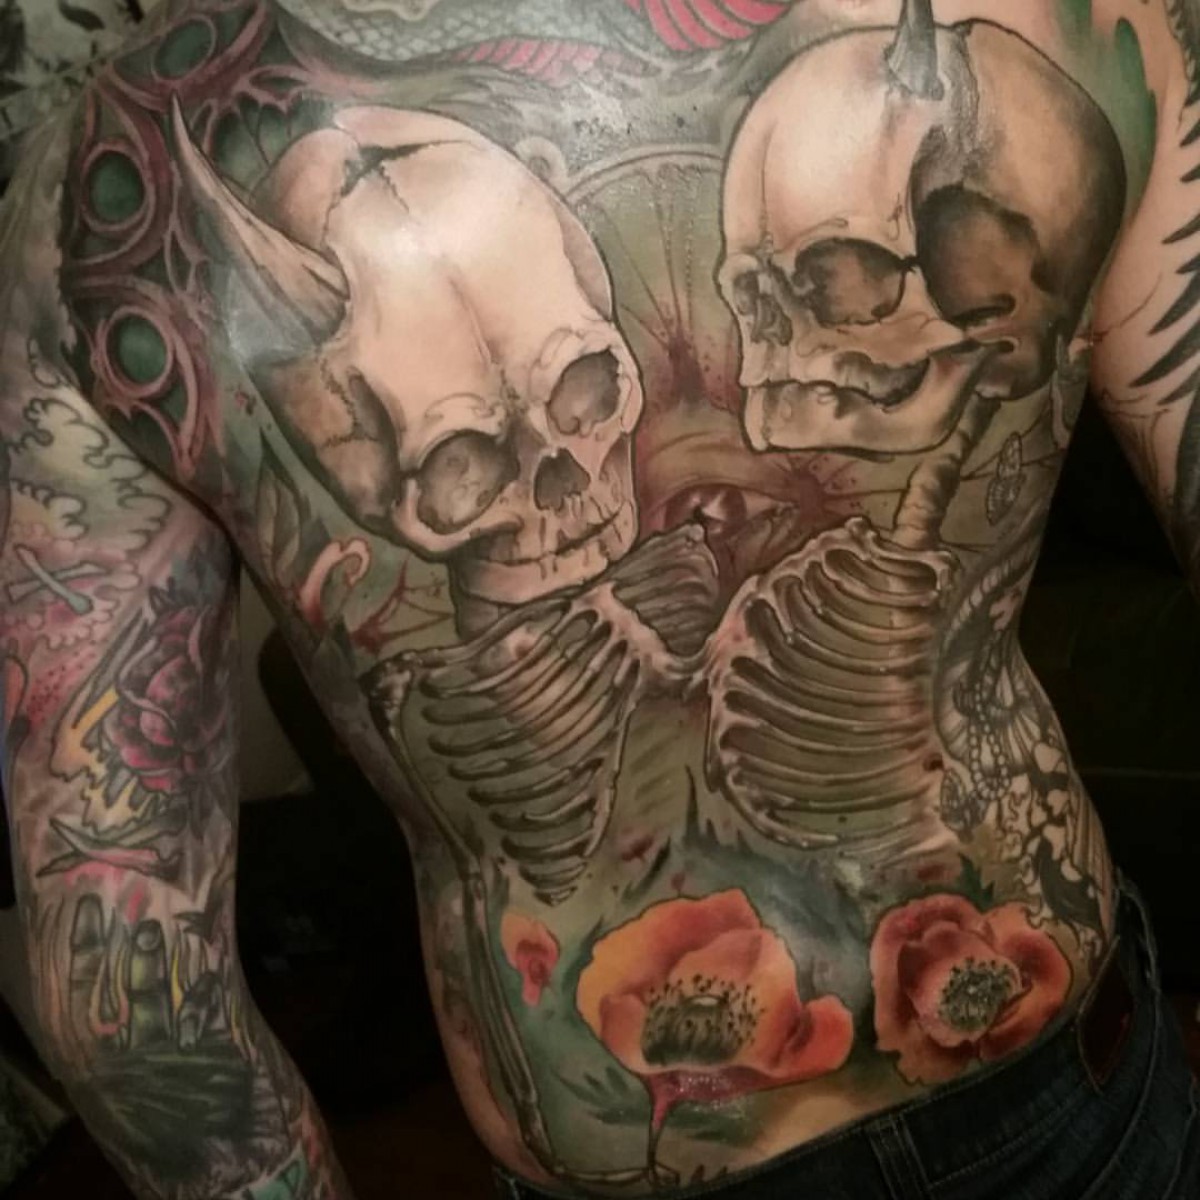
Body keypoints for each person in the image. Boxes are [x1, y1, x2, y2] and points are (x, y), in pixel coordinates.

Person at [0, 0, 1196, 1196]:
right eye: (462, 467)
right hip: (1063, 1063)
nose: (567, 492)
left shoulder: (87, 228)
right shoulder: (1088, 18)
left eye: (584, 390)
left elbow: (130, 1011)